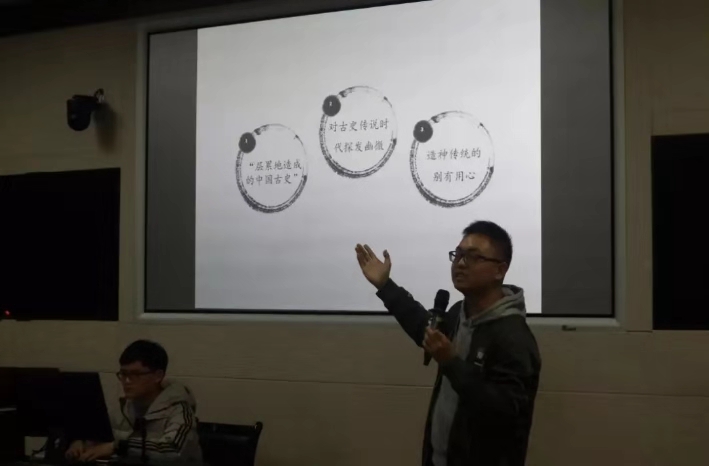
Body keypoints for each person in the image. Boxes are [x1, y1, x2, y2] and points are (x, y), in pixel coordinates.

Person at [355, 221, 541, 466]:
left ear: (500, 269)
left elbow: (505, 414)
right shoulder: (458, 312)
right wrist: (385, 286)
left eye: (473, 257)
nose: (460, 263)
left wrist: (452, 363)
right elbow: (426, 331)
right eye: (458, 255)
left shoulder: (514, 337)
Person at [65, 340, 202, 463]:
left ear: (158, 376)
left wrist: (119, 447)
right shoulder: (123, 407)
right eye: (124, 374)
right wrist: (82, 442)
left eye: (136, 374)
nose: (127, 381)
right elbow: (102, 436)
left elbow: (173, 450)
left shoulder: (180, 410)